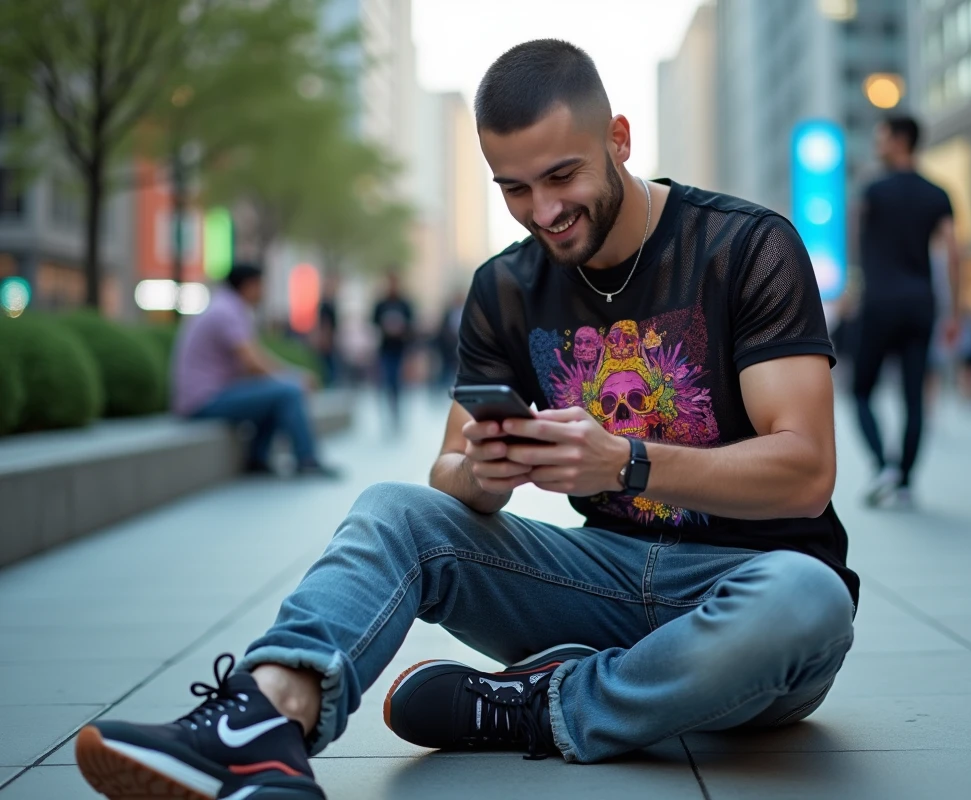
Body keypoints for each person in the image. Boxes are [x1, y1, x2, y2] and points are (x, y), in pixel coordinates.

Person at [75, 40, 856, 799]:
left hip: (750, 591)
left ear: (618, 139)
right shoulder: (505, 287)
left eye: (562, 176)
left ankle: (536, 704)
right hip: (602, 580)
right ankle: (263, 722)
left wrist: (627, 462)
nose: (543, 212)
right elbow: (448, 472)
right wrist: (484, 472)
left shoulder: (743, 247)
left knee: (808, 598)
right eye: (514, 189)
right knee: (394, 510)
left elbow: (806, 473)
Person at [853, 115, 959, 508]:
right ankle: (905, 480)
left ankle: (884, 466)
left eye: (881, 138)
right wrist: (955, 312)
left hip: (879, 302)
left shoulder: (873, 191)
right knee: (914, 397)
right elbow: (953, 253)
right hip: (920, 304)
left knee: (862, 390)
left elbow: (855, 237)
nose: (877, 145)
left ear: (900, 140)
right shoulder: (937, 193)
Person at [170, 263, 339, 479]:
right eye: (261, 285)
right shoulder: (226, 311)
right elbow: (252, 361)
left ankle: (258, 458)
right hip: (204, 400)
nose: (264, 292)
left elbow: (252, 362)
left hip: (209, 395)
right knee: (288, 392)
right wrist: (294, 377)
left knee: (277, 392)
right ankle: (307, 460)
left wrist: (288, 376)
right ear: (249, 286)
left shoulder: (226, 307)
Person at [372, 272, 415, 426]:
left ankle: (397, 411)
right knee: (387, 380)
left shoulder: (404, 304)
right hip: (385, 349)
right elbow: (374, 323)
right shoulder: (381, 304)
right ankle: (390, 410)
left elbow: (412, 326)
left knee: (399, 382)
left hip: (401, 349)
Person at [314, 275, 339, 387]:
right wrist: (325, 339)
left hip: (330, 338)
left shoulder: (331, 303)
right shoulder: (325, 305)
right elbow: (325, 324)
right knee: (328, 365)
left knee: (330, 364)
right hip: (327, 340)